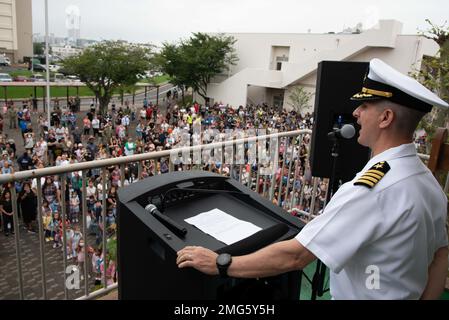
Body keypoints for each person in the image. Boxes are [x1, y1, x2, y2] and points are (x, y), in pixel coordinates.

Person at [176, 59, 449, 300]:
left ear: (386, 118)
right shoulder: (428, 182)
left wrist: (220, 263)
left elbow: (296, 256)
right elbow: (441, 256)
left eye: (365, 105)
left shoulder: (371, 190)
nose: (355, 113)